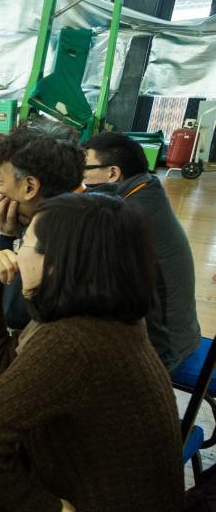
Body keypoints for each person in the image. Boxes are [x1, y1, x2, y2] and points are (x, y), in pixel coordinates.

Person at [0, 193, 183, 512]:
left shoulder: (73, 342)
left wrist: (49, 510)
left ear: (59, 264)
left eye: (25, 243)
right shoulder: (109, 317)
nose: (16, 252)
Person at [83, 131, 200, 372]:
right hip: (179, 332)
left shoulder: (130, 211)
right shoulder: (146, 188)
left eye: (85, 168)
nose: (79, 175)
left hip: (166, 349)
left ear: (113, 173)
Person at [0, 120, 84, 330]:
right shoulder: (80, 214)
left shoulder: (52, 239)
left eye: (1, 180)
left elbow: (13, 314)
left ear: (30, 186)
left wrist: (11, 239)